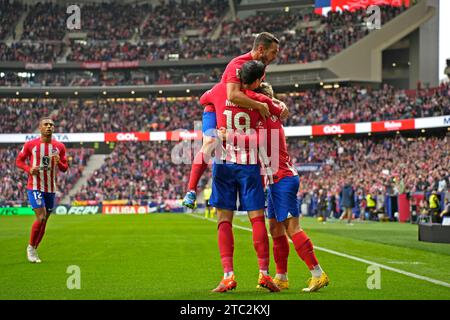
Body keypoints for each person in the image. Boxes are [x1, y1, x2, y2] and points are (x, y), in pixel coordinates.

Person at [200, 61, 282, 293]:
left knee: (224, 220)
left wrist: (210, 122)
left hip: (224, 163)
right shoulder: (257, 99)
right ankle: (264, 274)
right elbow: (280, 112)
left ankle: (228, 276)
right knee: (257, 219)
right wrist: (276, 103)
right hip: (249, 165)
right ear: (255, 80)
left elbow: (203, 101)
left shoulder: (218, 91)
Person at [182, 32, 287, 209]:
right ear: (261, 49)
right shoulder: (237, 65)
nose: (275, 56)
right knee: (210, 142)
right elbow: (232, 95)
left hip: (237, 110)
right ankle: (191, 190)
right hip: (217, 108)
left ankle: (266, 187)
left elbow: (255, 91)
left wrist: (274, 101)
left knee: (260, 144)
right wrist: (260, 105)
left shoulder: (259, 67)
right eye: (273, 52)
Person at [247, 82, 329, 293]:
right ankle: (281, 277)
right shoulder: (271, 115)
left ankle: (318, 274)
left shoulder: (265, 120)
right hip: (275, 180)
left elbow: (250, 141)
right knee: (275, 229)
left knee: (293, 229)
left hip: (283, 179)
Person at [16, 117, 68, 263]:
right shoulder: (31, 145)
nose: (49, 126)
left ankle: (35, 248)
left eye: (51, 125)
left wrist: (60, 162)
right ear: (40, 127)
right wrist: (29, 169)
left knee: (44, 221)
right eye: (46, 124)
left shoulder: (60, 146)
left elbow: (65, 168)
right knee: (41, 217)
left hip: (50, 189)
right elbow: (19, 161)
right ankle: (31, 248)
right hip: (34, 186)